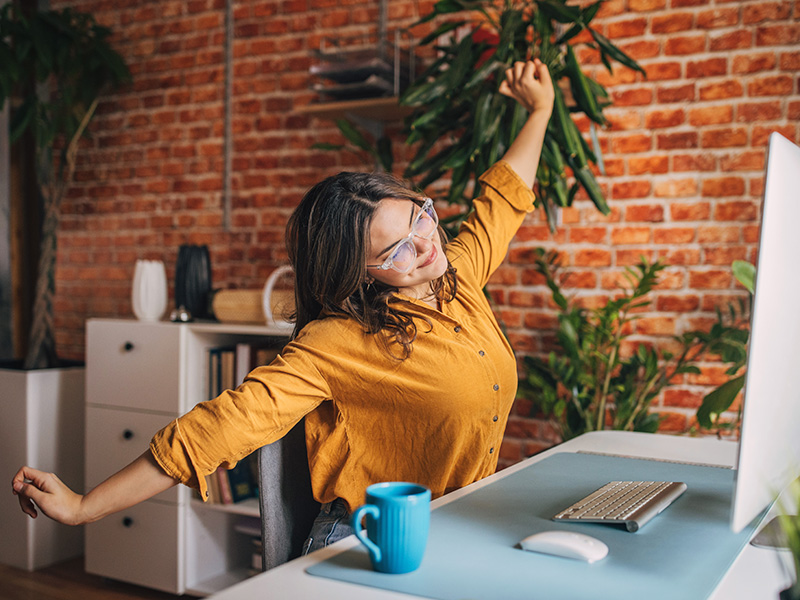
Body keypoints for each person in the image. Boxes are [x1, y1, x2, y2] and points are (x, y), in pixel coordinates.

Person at [12, 59, 554, 554]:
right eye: (396, 250)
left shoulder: (455, 273)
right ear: (358, 273)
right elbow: (217, 428)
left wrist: (540, 109)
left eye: (419, 216)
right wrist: (84, 508)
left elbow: (502, 199)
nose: (424, 243)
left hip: (452, 533)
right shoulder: (336, 343)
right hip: (364, 545)